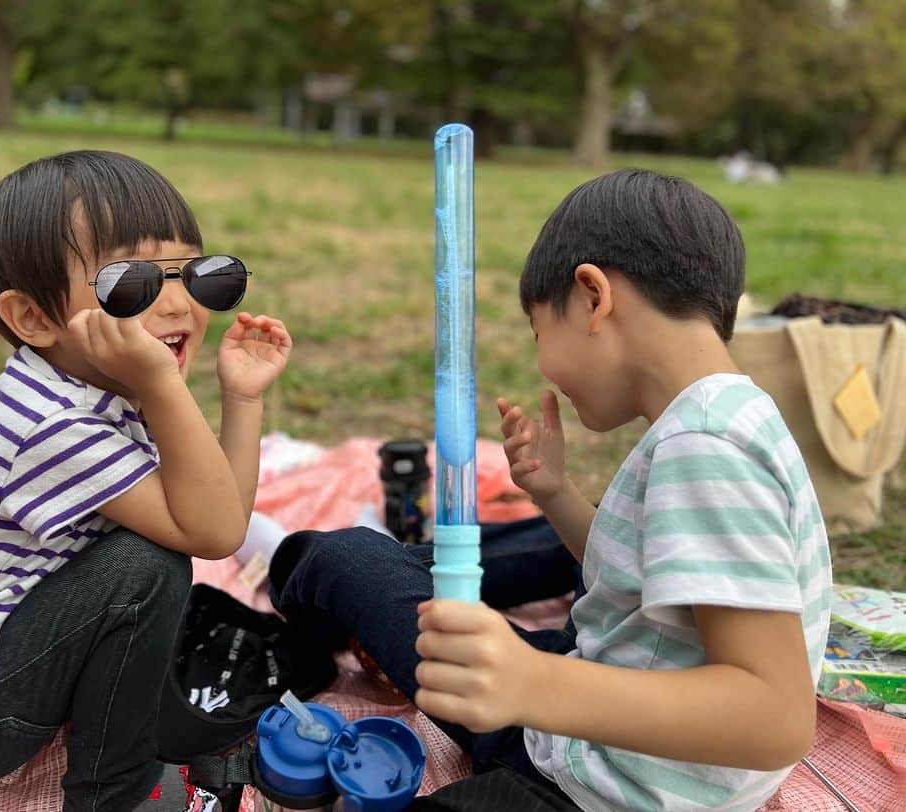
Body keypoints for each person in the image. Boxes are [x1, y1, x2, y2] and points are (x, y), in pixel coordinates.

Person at [270, 168, 832, 810]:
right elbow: (636, 576)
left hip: (607, 780)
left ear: (593, 296)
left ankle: (296, 639)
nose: (544, 367)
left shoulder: (703, 446)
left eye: (541, 334)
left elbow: (775, 720)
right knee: (376, 559)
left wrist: (531, 681)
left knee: (342, 558)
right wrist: (555, 493)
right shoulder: (727, 416)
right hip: (603, 706)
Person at [0, 150, 292, 811]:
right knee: (147, 565)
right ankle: (113, 793)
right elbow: (213, 531)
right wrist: (161, 384)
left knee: (150, 547)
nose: (177, 303)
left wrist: (243, 397)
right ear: (35, 319)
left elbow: (215, 511)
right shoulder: (52, 426)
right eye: (131, 284)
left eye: (200, 276)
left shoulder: (90, 384)